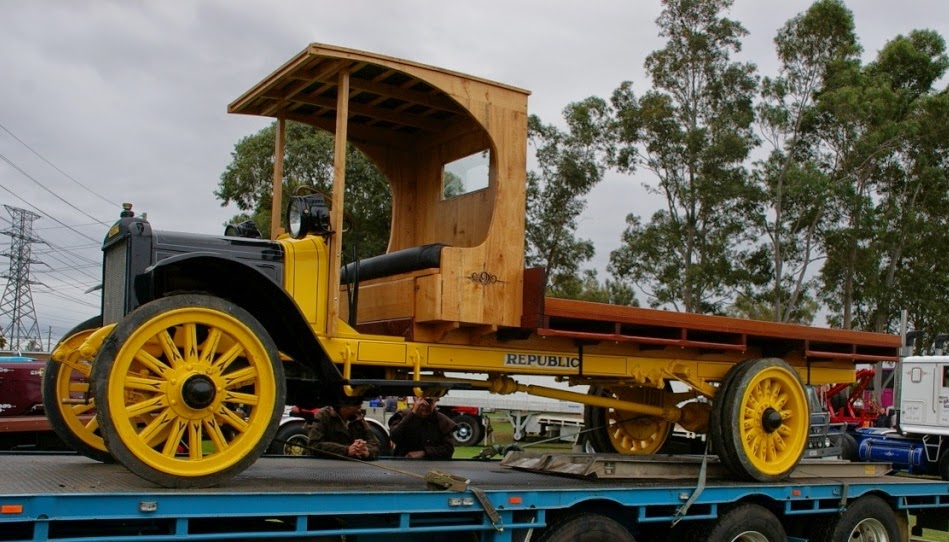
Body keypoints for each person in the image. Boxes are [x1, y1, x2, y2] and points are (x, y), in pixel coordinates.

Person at [306, 396, 380, 460]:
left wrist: (366, 451)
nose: (360, 405)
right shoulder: (322, 416)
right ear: (343, 404)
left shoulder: (358, 418)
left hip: (354, 469)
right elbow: (314, 445)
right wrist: (346, 450)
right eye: (355, 402)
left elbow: (375, 443)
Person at [387, 396, 457, 459]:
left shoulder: (442, 421)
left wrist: (424, 452)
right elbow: (394, 437)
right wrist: (412, 414)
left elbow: (448, 450)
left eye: (429, 401)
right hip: (403, 463)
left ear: (435, 402)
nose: (425, 406)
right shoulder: (402, 416)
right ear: (415, 400)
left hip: (432, 465)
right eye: (422, 401)